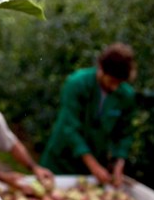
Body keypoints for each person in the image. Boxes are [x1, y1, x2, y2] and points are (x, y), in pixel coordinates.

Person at [40, 42, 137, 187]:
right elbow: (70, 127)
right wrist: (93, 165)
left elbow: (125, 133)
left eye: (119, 83)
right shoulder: (77, 83)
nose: (114, 87)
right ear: (101, 69)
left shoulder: (126, 95)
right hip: (62, 161)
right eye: (111, 81)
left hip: (93, 163)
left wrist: (119, 161)